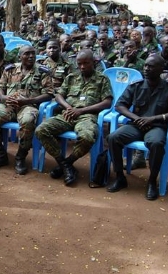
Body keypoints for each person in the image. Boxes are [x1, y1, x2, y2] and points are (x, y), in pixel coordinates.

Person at [107, 55, 168, 199]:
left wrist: (154, 118)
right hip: (137, 125)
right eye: (146, 66)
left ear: (161, 69)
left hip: (157, 127)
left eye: (151, 66)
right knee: (113, 137)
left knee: (156, 143)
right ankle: (119, 177)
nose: (146, 69)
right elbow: (119, 105)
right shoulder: (136, 85)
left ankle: (151, 182)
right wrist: (136, 118)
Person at [35, 50, 113, 186]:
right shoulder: (71, 77)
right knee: (41, 130)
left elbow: (107, 102)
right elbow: (58, 95)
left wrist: (80, 110)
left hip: (87, 116)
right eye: (79, 64)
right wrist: (68, 107)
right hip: (67, 114)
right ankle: (64, 164)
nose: (82, 67)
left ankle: (67, 163)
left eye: (86, 63)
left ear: (93, 62)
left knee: (87, 137)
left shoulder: (102, 79)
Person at [0, 46, 53, 174]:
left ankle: (20, 157)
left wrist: (27, 101)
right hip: (8, 105)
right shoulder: (10, 69)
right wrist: (4, 97)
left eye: (33, 54)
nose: (31, 56)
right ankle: (0, 155)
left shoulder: (42, 71)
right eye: (27, 54)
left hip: (28, 106)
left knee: (28, 120)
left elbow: (48, 94)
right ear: (20, 57)